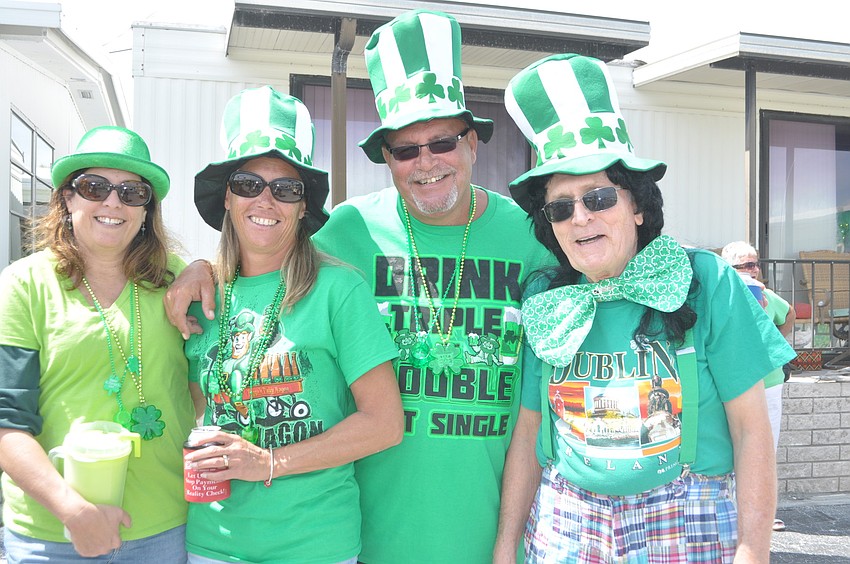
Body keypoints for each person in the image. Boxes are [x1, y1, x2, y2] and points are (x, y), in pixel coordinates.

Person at [165, 10, 554, 563]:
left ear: (472, 142)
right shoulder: (348, 229)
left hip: (487, 526)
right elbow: (266, 252)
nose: (427, 164)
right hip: (361, 531)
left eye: (442, 142)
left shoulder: (532, 236)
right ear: (387, 158)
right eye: (405, 149)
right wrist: (201, 269)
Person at [493, 53, 797, 563]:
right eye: (562, 206)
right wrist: (505, 550)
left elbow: (752, 431)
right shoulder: (546, 300)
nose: (581, 218)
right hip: (567, 525)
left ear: (636, 204)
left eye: (598, 198)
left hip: (691, 520)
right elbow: (527, 435)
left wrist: (753, 551)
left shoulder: (705, 279)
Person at [181, 85, 403, 563]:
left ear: (304, 206)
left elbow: (385, 424)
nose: (265, 200)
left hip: (315, 544)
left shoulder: (339, 290)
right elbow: (191, 408)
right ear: (227, 197)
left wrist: (266, 463)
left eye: (285, 188)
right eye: (248, 184)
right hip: (212, 543)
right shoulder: (199, 298)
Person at [0, 126, 196, 560]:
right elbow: (6, 422)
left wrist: (205, 266)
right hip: (51, 536)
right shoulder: (22, 286)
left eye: (132, 192)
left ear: (148, 210)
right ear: (68, 199)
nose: (112, 202)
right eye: (94, 187)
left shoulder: (177, 281)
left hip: (163, 529)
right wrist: (72, 511)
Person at [722, 240, 796, 533]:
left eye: (755, 264)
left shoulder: (764, 294)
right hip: (733, 381)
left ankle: (763, 514)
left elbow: (789, 313)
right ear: (729, 269)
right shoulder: (723, 293)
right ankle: (732, 507)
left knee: (766, 446)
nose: (754, 270)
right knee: (730, 446)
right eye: (746, 265)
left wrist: (776, 340)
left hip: (768, 380)